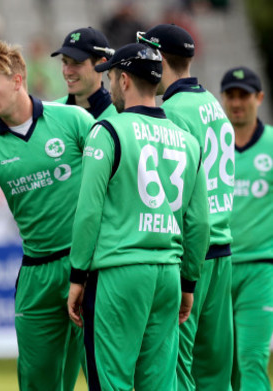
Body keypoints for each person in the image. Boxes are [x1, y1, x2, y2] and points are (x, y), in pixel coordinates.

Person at [67, 43, 210, 390]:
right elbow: (200, 222)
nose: (111, 85)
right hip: (168, 275)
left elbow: (88, 213)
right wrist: (188, 282)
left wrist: (77, 275)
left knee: (111, 381)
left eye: (112, 77)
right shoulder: (187, 140)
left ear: (125, 80)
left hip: (120, 273)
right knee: (160, 384)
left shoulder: (108, 131)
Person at [0, 39, 95, 391]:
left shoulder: (73, 120)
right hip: (36, 273)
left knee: (103, 375)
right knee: (37, 382)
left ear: (19, 79)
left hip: (87, 264)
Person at [139, 24, 236, 391]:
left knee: (178, 371)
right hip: (223, 250)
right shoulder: (212, 103)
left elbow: (175, 199)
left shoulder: (174, 112)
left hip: (192, 253)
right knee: (215, 372)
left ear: (160, 59)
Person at [220, 66, 273, 390]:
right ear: (222, 99)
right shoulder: (213, 147)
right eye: (231, 95)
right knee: (222, 365)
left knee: (251, 359)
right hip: (218, 268)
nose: (237, 102)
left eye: (244, 95)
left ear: (259, 98)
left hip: (260, 270)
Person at [51, 27, 118, 119]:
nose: (67, 72)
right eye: (65, 62)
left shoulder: (121, 116)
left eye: (77, 63)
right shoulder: (51, 111)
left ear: (102, 64)